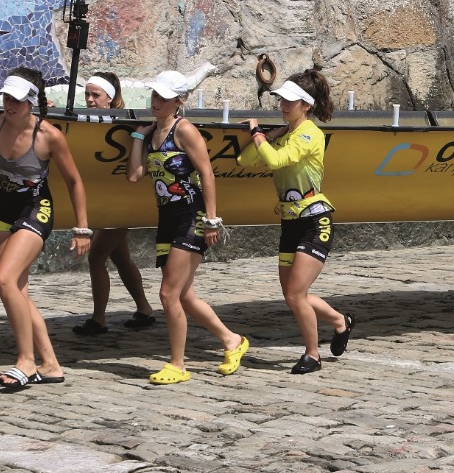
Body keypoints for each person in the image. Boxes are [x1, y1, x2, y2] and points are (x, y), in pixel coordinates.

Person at [0, 69, 89, 390]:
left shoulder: (49, 135)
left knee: (3, 279)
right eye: (6, 98)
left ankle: (25, 361)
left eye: (16, 99)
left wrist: (82, 228)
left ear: (30, 102)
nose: (9, 104)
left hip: (36, 209)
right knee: (17, 291)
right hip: (4, 210)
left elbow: (75, 181)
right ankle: (51, 364)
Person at [127, 70, 249, 384]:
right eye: (154, 96)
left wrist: (211, 220)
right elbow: (134, 175)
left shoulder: (185, 131)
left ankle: (178, 364)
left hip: (190, 217)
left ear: (178, 102)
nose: (156, 102)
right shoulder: (154, 131)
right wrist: (139, 137)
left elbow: (207, 174)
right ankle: (231, 340)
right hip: (167, 218)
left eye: (163, 98)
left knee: (168, 293)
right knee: (185, 296)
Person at [238, 69, 353, 374]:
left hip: (316, 221)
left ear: (306, 105)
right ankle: (340, 321)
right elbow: (245, 160)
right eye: (281, 100)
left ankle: (312, 355)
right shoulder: (286, 134)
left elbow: (274, 161)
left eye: (290, 101)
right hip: (290, 222)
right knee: (293, 295)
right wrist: (271, 135)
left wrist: (257, 133)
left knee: (295, 294)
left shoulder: (309, 134)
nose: (283, 106)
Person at [75, 72, 157, 335]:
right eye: (87, 94)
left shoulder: (120, 123)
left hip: (121, 201)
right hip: (108, 201)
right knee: (121, 259)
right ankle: (144, 309)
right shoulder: (89, 120)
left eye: (95, 95)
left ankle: (99, 319)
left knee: (97, 257)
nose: (89, 100)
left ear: (109, 98)